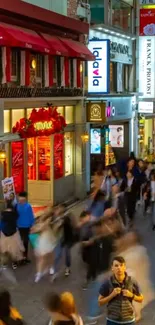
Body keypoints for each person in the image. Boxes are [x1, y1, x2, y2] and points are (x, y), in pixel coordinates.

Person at [115, 231, 155, 322]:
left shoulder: (138, 251)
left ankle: (136, 316)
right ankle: (135, 315)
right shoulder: (130, 250)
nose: (127, 238)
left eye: (130, 237)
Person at [98, 256, 143, 325]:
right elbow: (100, 302)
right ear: (112, 268)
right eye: (116, 266)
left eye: (121, 265)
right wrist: (112, 295)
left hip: (129, 321)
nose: (119, 268)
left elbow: (141, 299)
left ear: (125, 267)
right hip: (112, 321)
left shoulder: (132, 281)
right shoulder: (107, 282)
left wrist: (131, 295)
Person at [31, 212, 57, 283]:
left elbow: (38, 229)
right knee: (41, 258)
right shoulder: (41, 224)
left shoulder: (46, 224)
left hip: (47, 241)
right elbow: (34, 230)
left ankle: (50, 267)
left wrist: (35, 228)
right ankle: (39, 273)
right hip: (42, 242)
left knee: (49, 256)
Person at [0, 201, 24, 269]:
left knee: (4, 250)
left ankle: (5, 264)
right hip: (13, 234)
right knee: (14, 251)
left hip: (5, 234)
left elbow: (1, 224)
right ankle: (13, 263)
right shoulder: (15, 214)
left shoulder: (3, 214)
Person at [17, 191, 34, 264]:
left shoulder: (18, 206)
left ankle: (22, 257)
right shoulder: (27, 206)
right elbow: (31, 216)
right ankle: (23, 257)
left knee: (22, 242)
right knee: (24, 242)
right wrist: (32, 224)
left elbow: (31, 216)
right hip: (24, 226)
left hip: (21, 226)